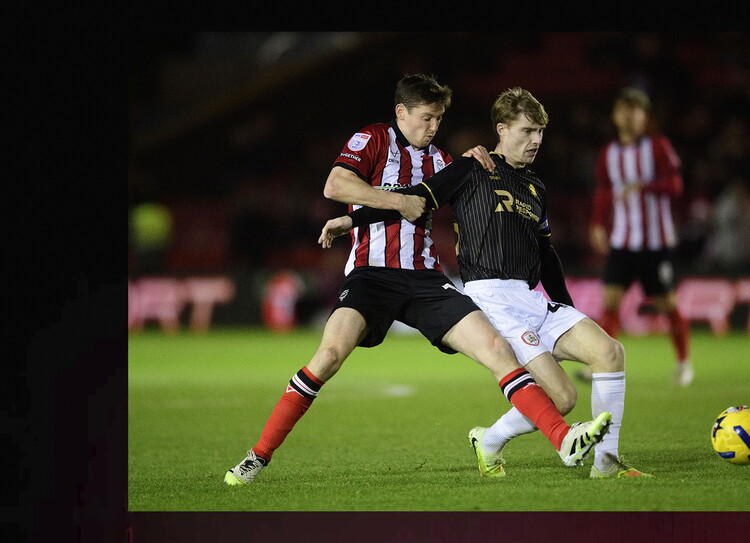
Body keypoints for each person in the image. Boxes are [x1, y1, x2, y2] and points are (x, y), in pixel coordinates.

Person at [224, 74, 611, 486]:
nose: (433, 127)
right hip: (371, 276)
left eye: (440, 119)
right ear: (401, 113)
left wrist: (482, 161)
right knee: (329, 356)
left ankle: (563, 437)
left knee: (497, 348)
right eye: (426, 118)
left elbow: (456, 186)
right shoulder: (372, 139)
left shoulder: (444, 160)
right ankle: (258, 456)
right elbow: (335, 184)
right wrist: (390, 204)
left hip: (426, 279)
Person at [321, 87, 651, 479]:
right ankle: (494, 440)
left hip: (532, 298)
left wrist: (567, 309)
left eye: (541, 132)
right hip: (491, 298)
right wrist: (351, 221)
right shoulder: (471, 167)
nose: (536, 141)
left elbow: (546, 255)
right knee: (562, 398)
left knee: (611, 352)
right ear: (502, 129)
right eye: (528, 131)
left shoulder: (535, 188)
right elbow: (414, 200)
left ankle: (606, 463)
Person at [587, 87, 693, 387]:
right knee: (610, 301)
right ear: (615, 115)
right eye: (625, 109)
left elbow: (676, 185)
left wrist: (644, 187)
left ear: (645, 117)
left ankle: (683, 363)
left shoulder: (658, 147)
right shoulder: (609, 153)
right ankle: (603, 364)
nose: (631, 116)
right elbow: (603, 191)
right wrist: (596, 224)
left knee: (666, 304)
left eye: (637, 110)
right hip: (621, 241)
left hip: (655, 243)